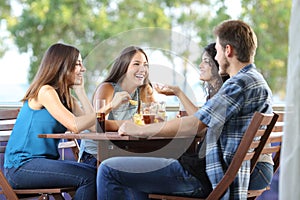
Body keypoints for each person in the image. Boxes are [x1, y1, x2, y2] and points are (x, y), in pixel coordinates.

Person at [97, 19, 274, 200]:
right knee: (139, 176)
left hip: (208, 177)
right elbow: (201, 119)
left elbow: (196, 124)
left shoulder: (240, 83)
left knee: (108, 169)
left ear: (228, 50)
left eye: (218, 50)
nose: (216, 56)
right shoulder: (253, 79)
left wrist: (140, 129)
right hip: (220, 170)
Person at [4, 43, 96, 200]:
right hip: (21, 167)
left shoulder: (67, 98)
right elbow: (74, 126)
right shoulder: (45, 91)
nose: (83, 69)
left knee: (96, 173)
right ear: (63, 65)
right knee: (89, 176)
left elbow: (94, 127)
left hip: (42, 165)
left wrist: (80, 92)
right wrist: (108, 108)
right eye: (78, 64)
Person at [79, 46, 155, 167]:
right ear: (124, 67)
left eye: (145, 64)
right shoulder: (107, 88)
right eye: (136, 64)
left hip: (124, 152)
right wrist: (129, 125)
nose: (143, 69)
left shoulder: (144, 90)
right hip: (95, 155)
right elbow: (99, 125)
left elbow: (153, 120)